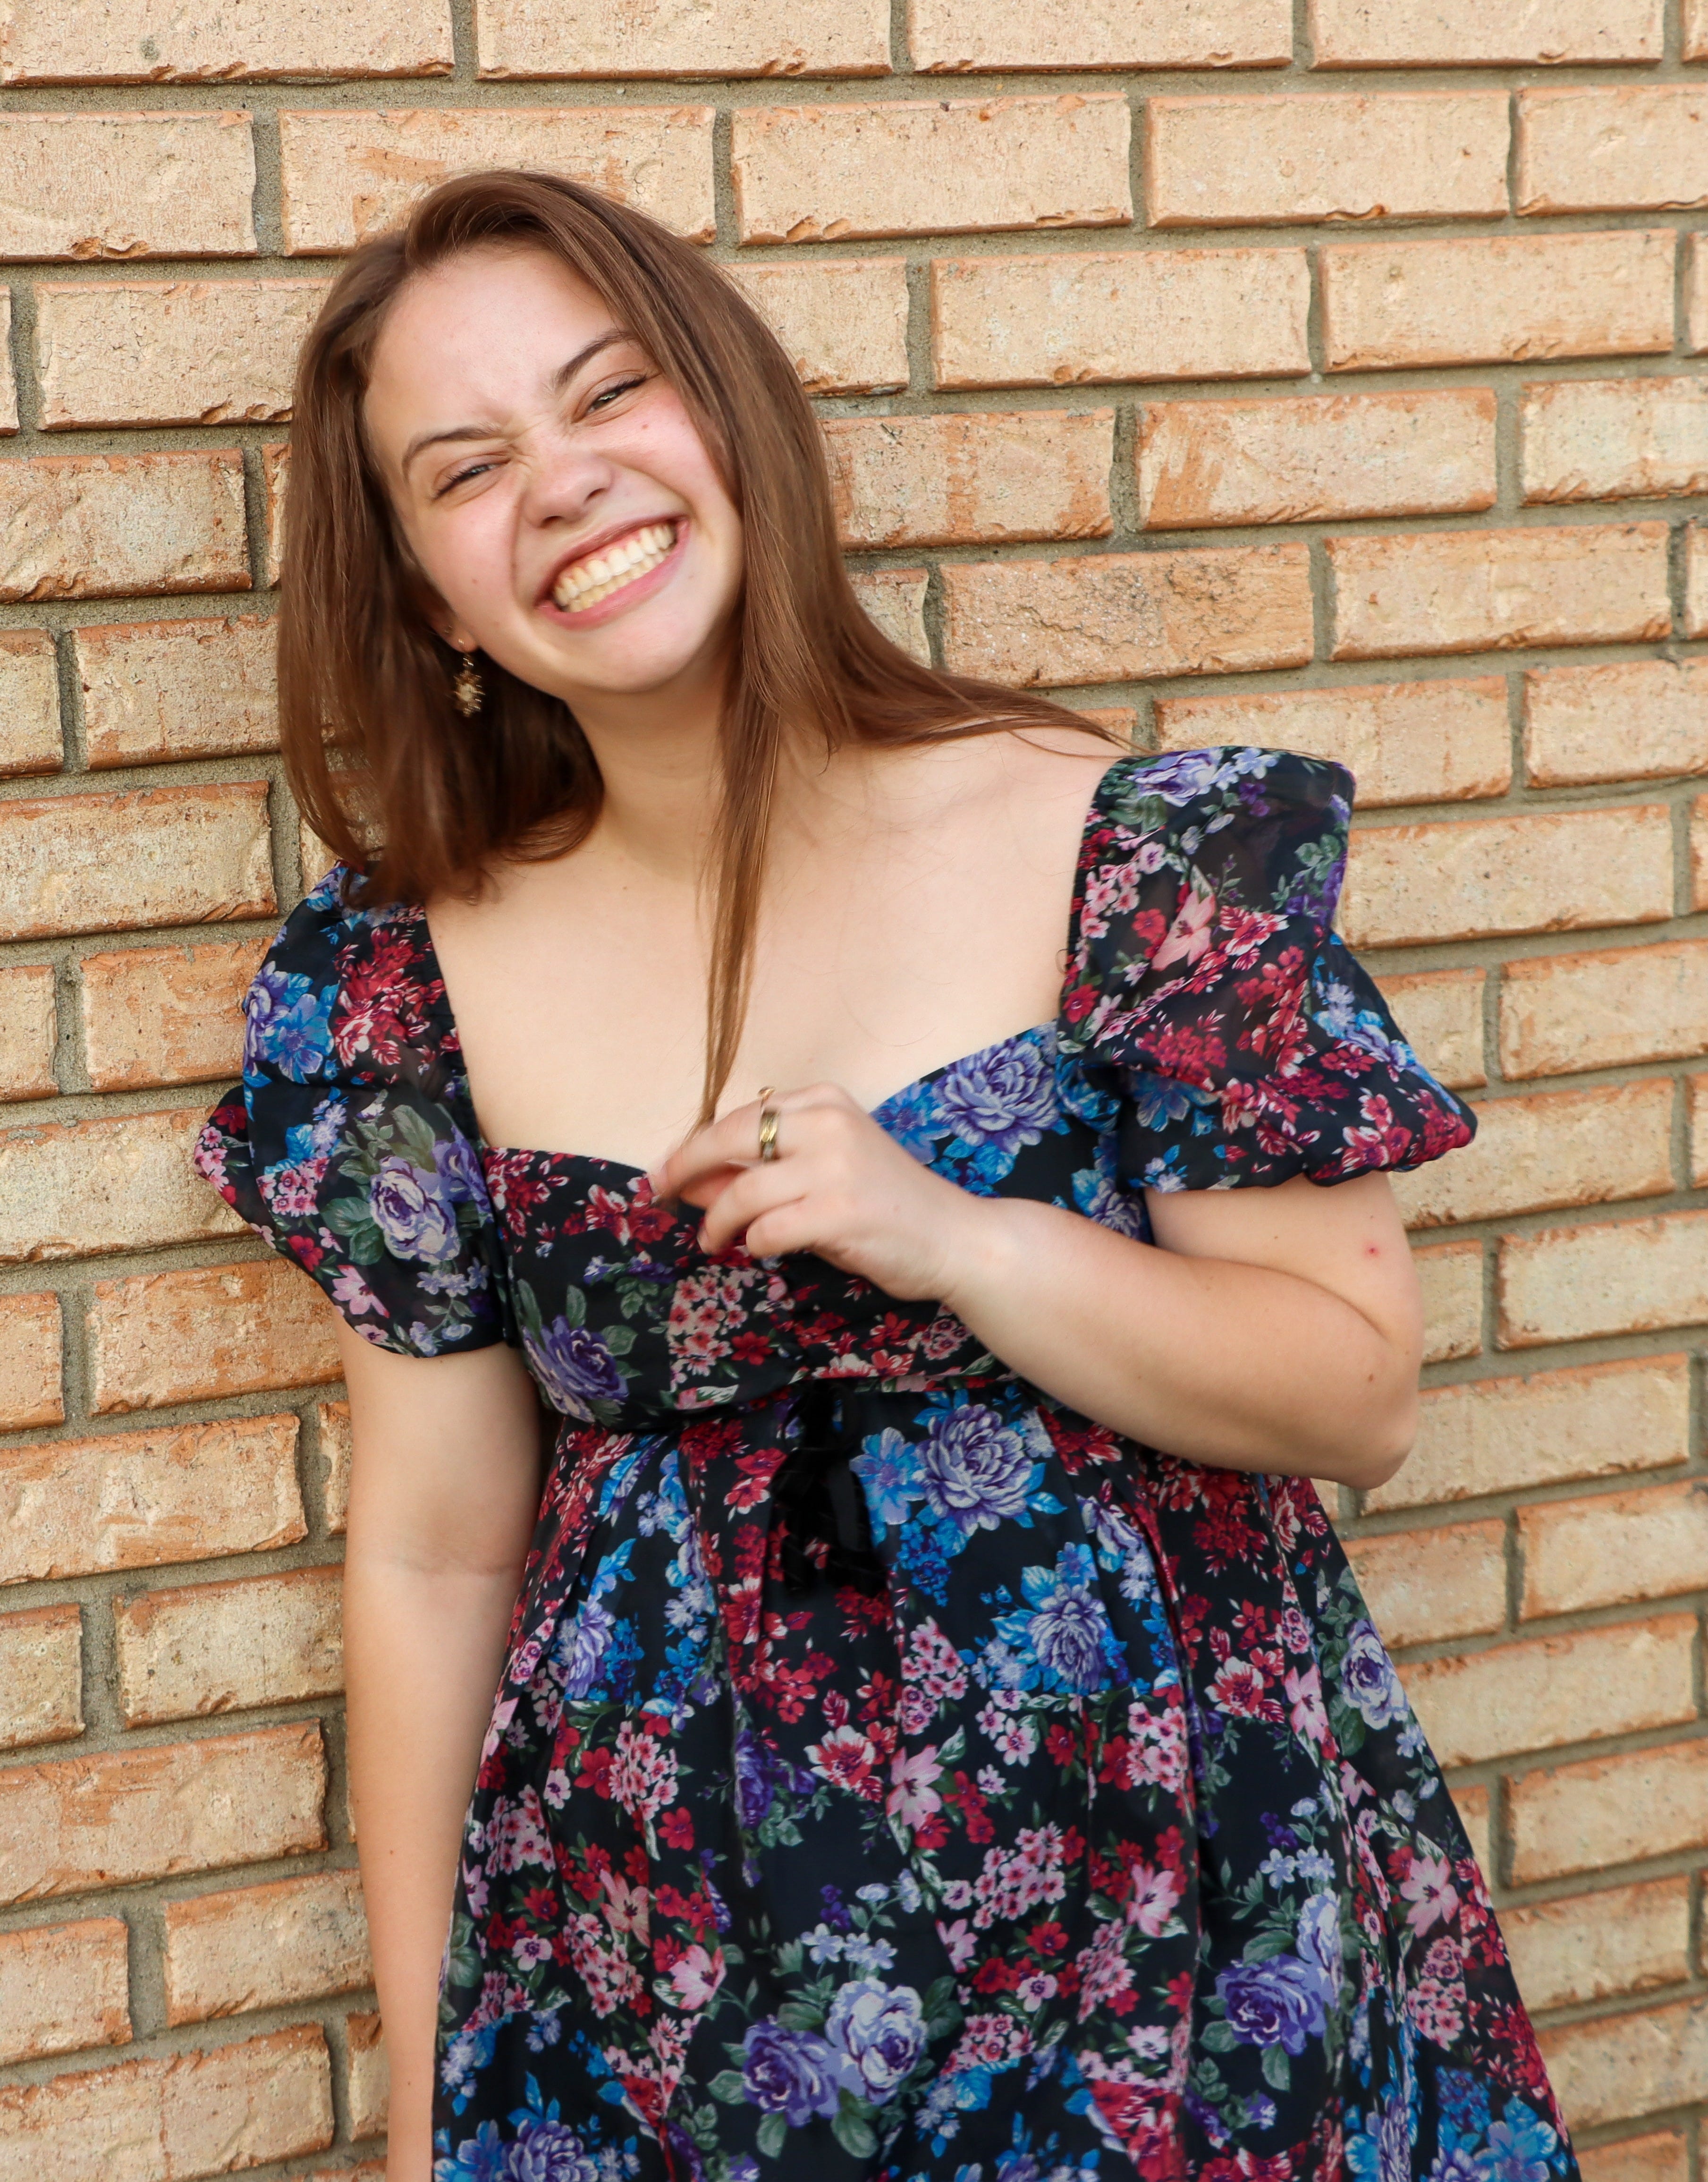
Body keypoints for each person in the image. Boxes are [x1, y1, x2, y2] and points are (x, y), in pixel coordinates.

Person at [195, 169, 1577, 2182]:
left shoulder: (1132, 855)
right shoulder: (394, 986)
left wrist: (956, 1237)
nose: (565, 485)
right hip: (660, 1997)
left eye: (610, 393)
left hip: (1168, 1950)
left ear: (731, 414)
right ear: (427, 595)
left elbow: (1351, 1392)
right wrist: (430, 2103)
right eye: (467, 468)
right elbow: (430, 1553)